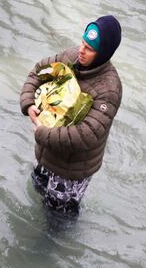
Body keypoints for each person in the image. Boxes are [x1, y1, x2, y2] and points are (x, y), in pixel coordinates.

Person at [20, 15, 123, 214]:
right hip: (45, 153)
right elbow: (38, 72)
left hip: (71, 171)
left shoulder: (109, 89)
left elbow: (86, 135)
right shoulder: (70, 56)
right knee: (37, 189)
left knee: (58, 218)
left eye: (90, 49)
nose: (81, 51)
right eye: (82, 43)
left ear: (103, 53)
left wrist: (41, 133)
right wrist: (28, 103)